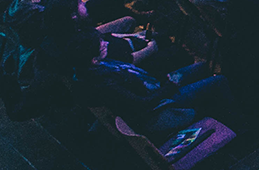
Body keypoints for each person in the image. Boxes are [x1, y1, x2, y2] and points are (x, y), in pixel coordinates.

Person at [73, 36, 235, 138]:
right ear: (93, 59)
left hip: (157, 88)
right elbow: (143, 103)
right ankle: (233, 119)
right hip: (160, 106)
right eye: (102, 45)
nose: (106, 43)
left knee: (201, 67)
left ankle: (212, 105)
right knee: (219, 80)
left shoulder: (101, 66)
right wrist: (169, 87)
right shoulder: (107, 84)